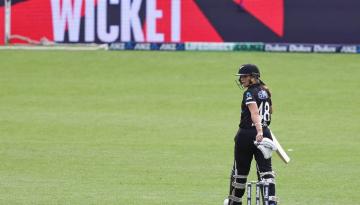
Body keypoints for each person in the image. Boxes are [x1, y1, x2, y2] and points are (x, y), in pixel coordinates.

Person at [226, 64, 278, 205]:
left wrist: (259, 130)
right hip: (265, 134)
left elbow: (255, 113)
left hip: (248, 134)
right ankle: (270, 202)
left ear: (253, 77)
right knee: (266, 173)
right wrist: (263, 130)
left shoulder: (249, 93)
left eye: (244, 76)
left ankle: (234, 202)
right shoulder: (265, 91)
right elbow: (271, 111)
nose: (241, 79)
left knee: (240, 172)